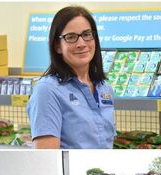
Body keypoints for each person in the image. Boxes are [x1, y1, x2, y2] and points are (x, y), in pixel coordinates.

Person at [27, 6, 115, 149]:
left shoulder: (104, 87)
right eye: (71, 37)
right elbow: (46, 158)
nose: (81, 44)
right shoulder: (47, 90)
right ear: (57, 46)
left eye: (87, 34)